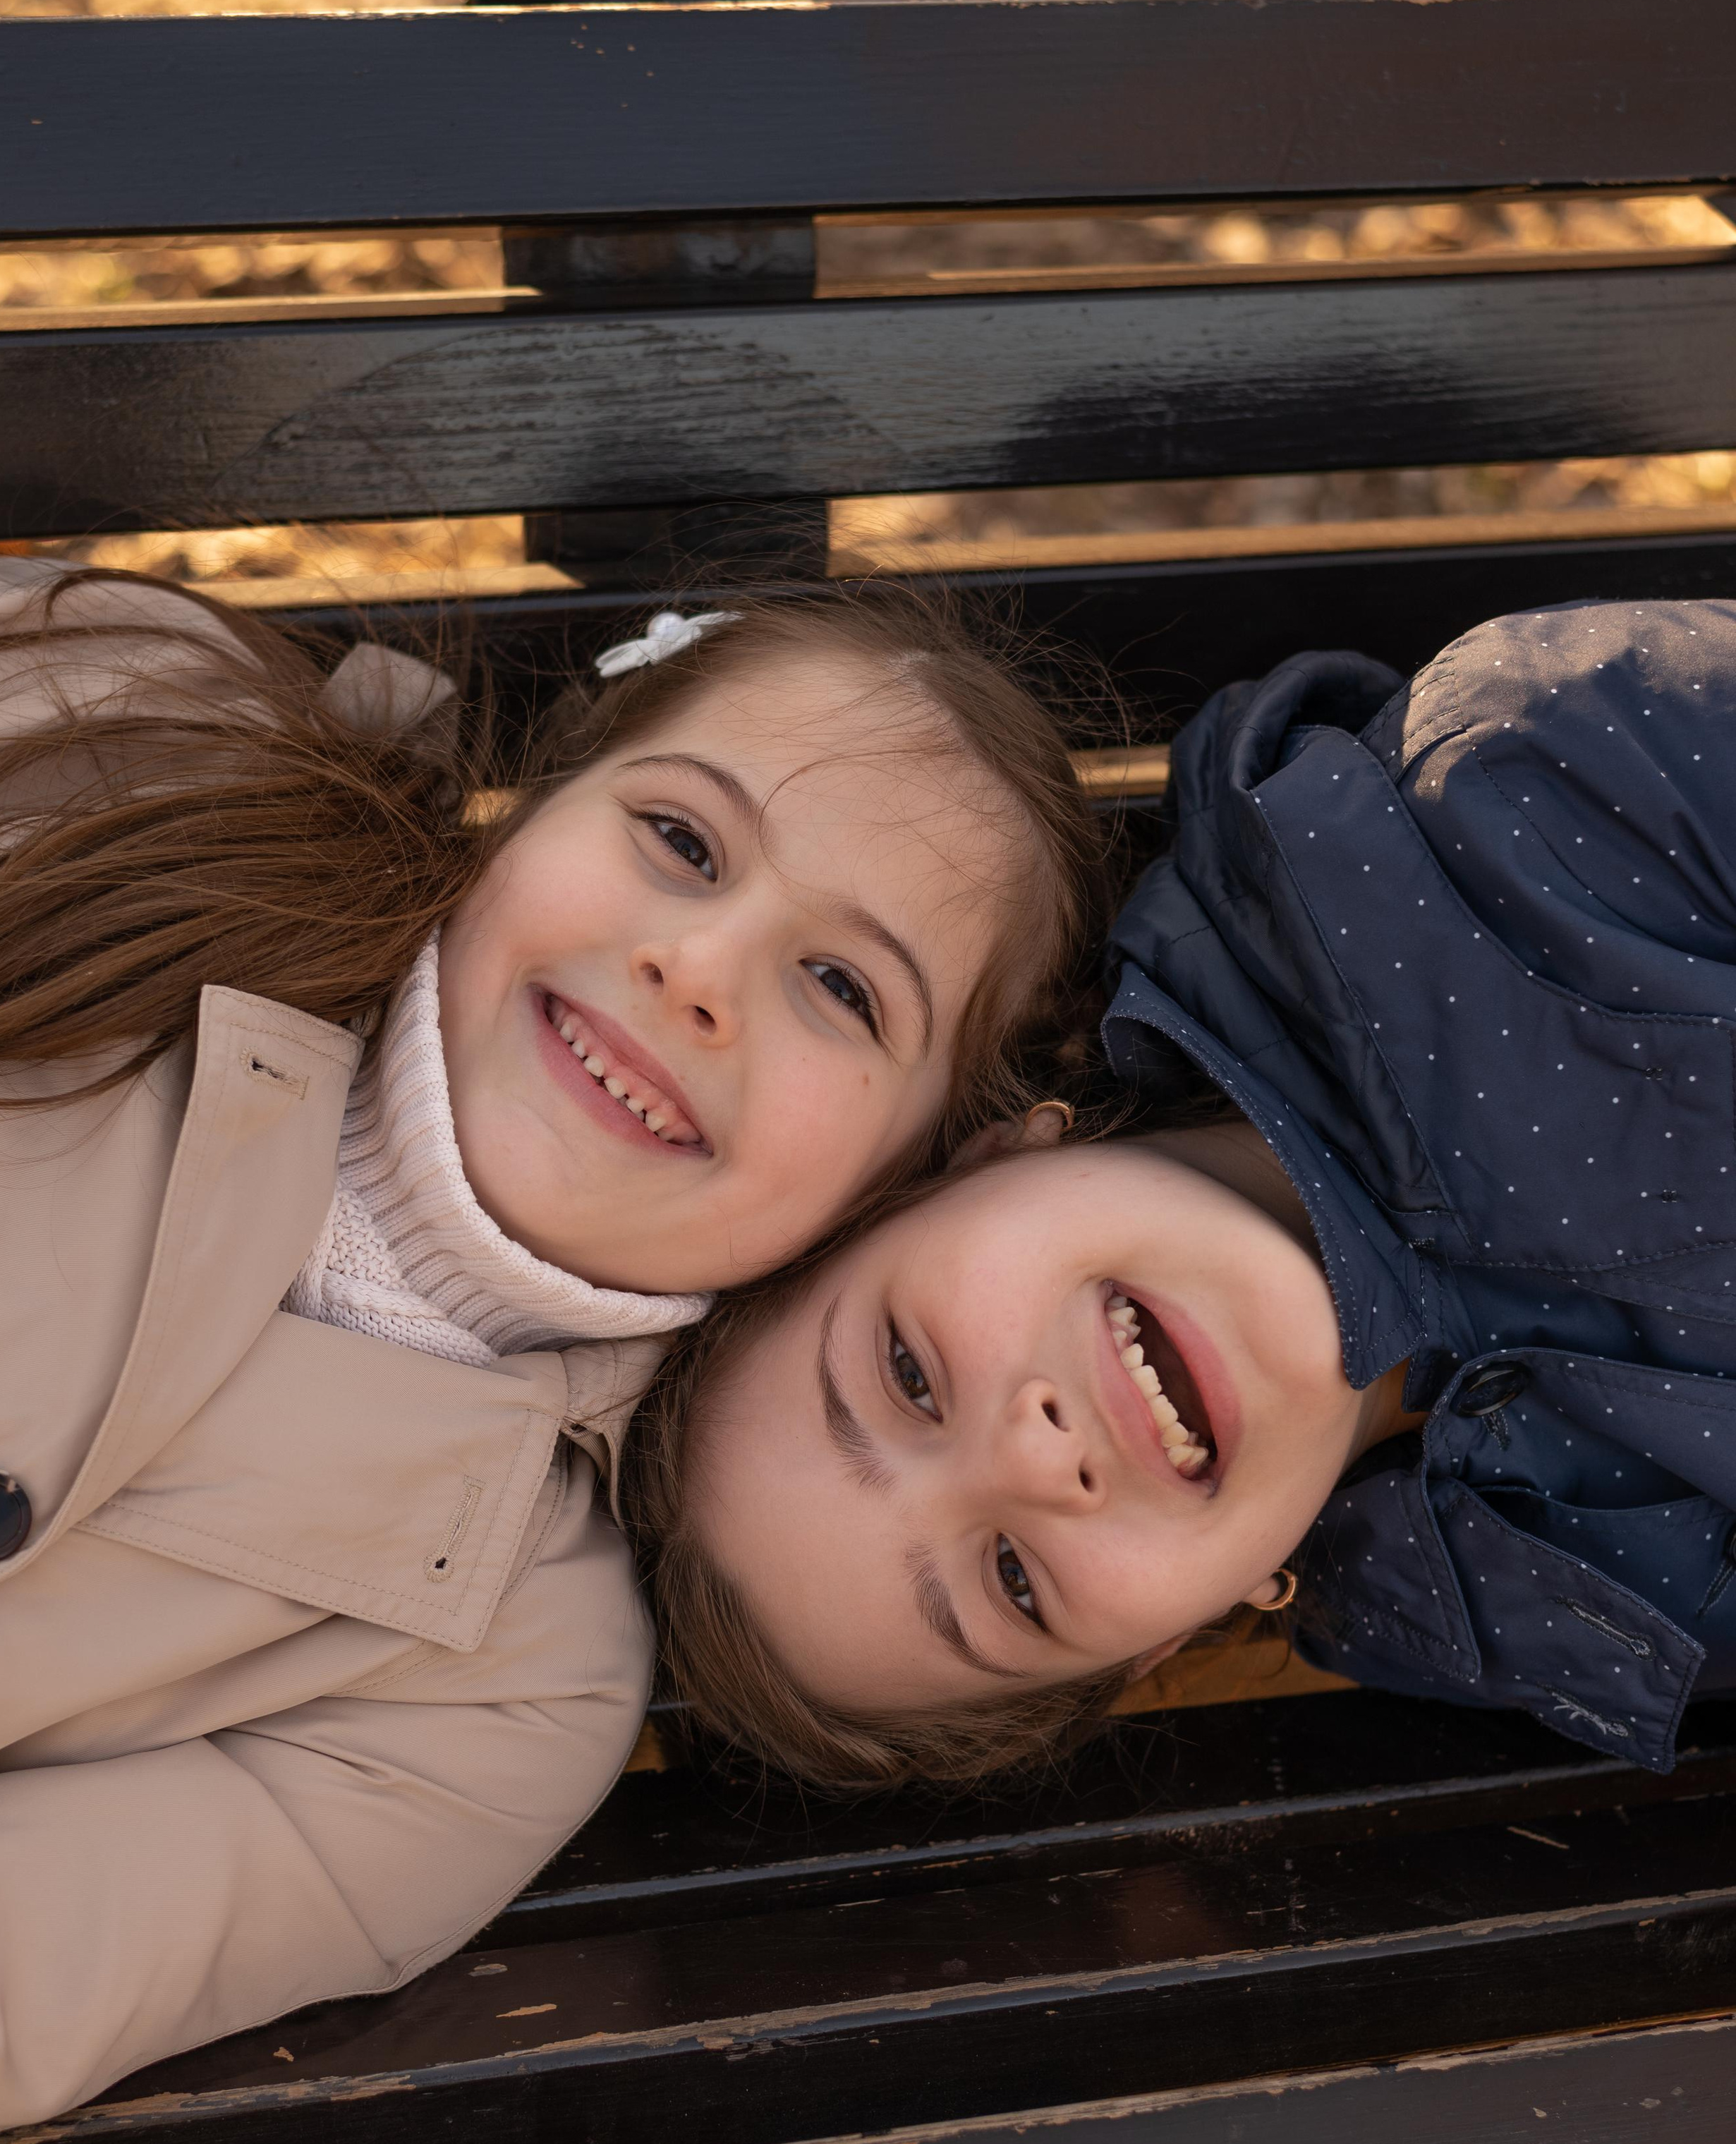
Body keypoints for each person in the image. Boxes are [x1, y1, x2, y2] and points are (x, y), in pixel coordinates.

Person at [0, 543, 1110, 2144]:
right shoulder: (149, 750)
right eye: (680, 840)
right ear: (534, 807)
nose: (694, 971)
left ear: (899, 1178)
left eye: (842, 987)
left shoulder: (505, 1683)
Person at [633, 597, 1736, 1792]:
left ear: (976, 1158)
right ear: (1170, 1637)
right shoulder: (1519, 1628)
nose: (1035, 1460)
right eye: (1012, 1579)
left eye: (907, 1372)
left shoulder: (1489, 815)